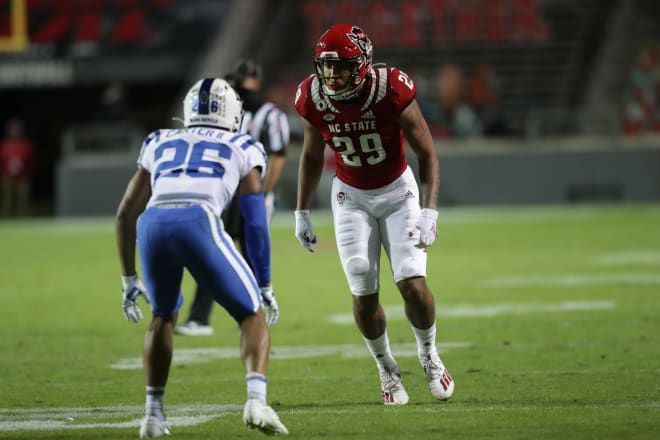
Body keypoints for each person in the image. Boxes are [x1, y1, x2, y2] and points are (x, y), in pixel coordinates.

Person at [115, 77, 288, 437]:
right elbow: (254, 220)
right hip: (198, 219)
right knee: (252, 313)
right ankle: (256, 401)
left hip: (153, 223)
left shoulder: (159, 140)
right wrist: (265, 281)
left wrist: (129, 277)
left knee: (162, 317)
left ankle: (153, 415)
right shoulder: (243, 143)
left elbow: (126, 213)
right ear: (231, 112)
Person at [293, 24, 454, 406]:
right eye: (326, 67)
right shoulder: (312, 96)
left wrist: (430, 210)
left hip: (398, 192)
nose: (331, 76)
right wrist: (301, 210)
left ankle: (429, 354)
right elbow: (312, 154)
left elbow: (427, 152)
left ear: (362, 64)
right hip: (351, 196)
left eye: (341, 67)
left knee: (412, 283)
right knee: (363, 288)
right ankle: (385, 366)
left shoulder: (391, 89)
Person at [175, 60, 290, 336]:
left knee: (249, 253)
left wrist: (267, 192)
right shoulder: (228, 112)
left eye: (244, 81)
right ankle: (202, 318)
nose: (239, 87)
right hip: (224, 192)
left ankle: (252, 317)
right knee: (212, 252)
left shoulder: (271, 115)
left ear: (256, 82)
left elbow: (278, 155)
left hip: (251, 193)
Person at [0, 117, 35, 217]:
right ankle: (6, 216)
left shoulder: (26, 143)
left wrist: (23, 168)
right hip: (6, 175)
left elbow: (31, 159)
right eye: (13, 130)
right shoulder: (5, 144)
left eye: (17, 130)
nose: (15, 132)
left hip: (23, 176)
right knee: (7, 197)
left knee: (23, 197)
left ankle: (23, 216)